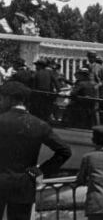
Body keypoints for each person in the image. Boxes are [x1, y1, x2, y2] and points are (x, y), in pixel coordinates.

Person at [0, 81, 72, 220]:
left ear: (10, 99)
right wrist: (39, 171)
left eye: (1, 99)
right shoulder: (39, 124)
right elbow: (65, 151)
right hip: (25, 183)